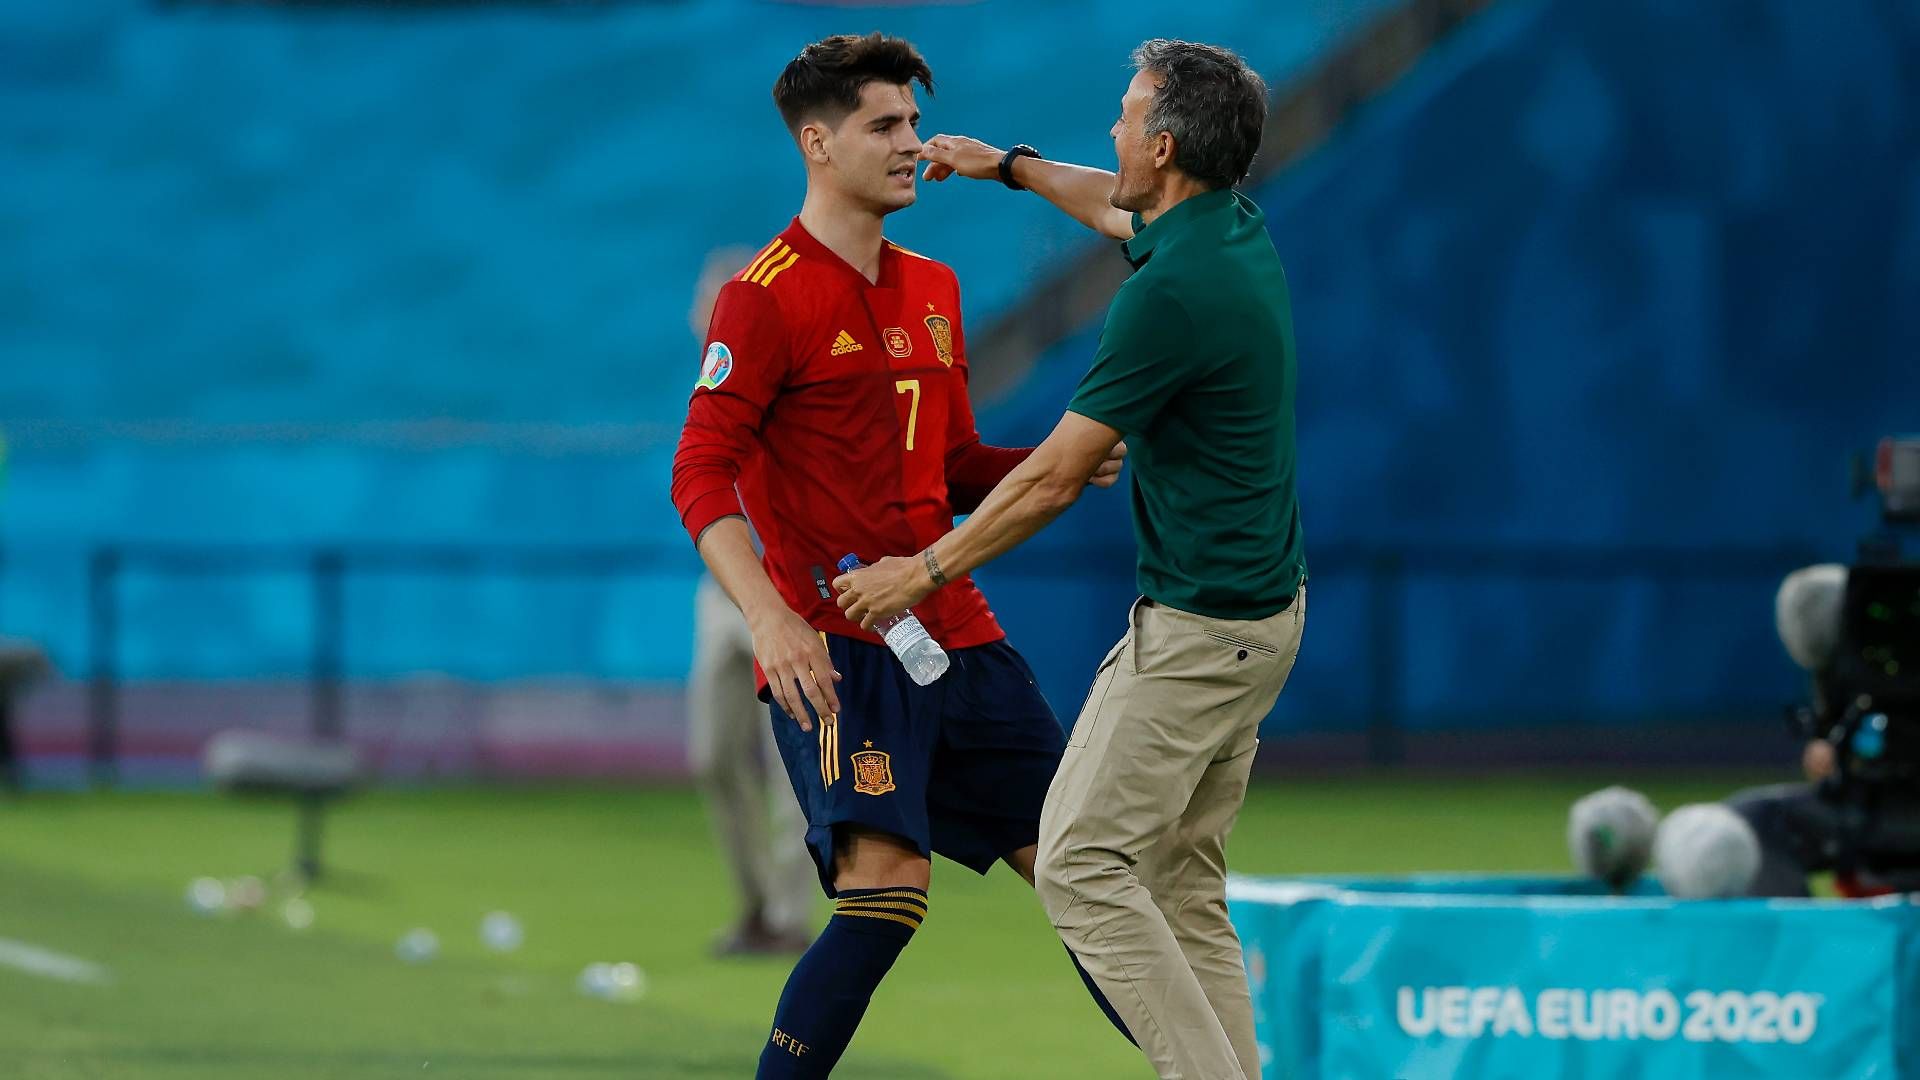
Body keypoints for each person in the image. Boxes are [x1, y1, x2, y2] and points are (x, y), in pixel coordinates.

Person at [835, 39, 1306, 1080]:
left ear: (1166, 143)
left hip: (1201, 632)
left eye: (1129, 113)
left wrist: (918, 574)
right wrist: (1007, 164)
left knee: (1084, 868)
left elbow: (1055, 477)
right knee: (1180, 884)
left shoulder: (1170, 293)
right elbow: (1110, 205)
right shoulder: (1225, 227)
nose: (1114, 129)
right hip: (1260, 621)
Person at [668, 33, 1130, 1077]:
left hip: (958, 634)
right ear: (819, 144)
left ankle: (1217, 1064)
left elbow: (954, 461)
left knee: (1090, 882)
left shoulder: (935, 286)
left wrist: (1057, 458)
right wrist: (774, 620)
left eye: (916, 124)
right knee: (883, 900)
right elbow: (700, 472)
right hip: (843, 653)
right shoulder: (765, 294)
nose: (913, 144)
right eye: (886, 125)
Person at [685, 247, 817, 956]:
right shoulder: (713, 381)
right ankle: (756, 904)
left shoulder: (786, 371)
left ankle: (786, 916)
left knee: (788, 759)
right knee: (711, 755)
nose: (700, 315)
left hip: (780, 592)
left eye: (713, 300)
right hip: (721, 593)